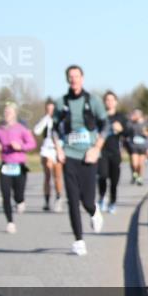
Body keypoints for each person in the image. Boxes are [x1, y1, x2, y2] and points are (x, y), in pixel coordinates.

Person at [53, 65, 107, 255]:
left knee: (87, 200)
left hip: (89, 156)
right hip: (69, 155)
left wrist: (96, 148)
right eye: (70, 77)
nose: (74, 79)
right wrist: (58, 148)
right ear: (67, 79)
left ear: (82, 78)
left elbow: (105, 125)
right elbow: (53, 128)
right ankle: (79, 240)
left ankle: (94, 211)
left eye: (77, 76)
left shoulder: (93, 101)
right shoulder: (61, 103)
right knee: (73, 199)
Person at [0, 101, 37, 233]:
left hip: (19, 165)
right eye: (5, 112)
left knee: (18, 194)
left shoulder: (22, 129)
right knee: (5, 194)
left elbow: (32, 144)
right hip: (5, 166)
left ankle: (20, 201)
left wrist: (20, 147)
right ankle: (10, 222)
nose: (7, 114)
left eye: (9, 112)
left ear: (15, 114)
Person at [98, 91, 128, 213]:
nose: (109, 102)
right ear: (104, 102)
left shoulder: (121, 117)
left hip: (115, 151)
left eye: (112, 100)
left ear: (116, 102)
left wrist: (121, 130)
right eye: (107, 100)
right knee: (103, 176)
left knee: (114, 180)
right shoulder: (100, 116)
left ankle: (113, 202)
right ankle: (102, 198)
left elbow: (127, 133)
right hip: (102, 151)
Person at [34, 99, 64, 212]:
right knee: (47, 175)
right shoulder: (45, 120)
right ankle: (46, 201)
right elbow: (36, 131)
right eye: (48, 109)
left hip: (57, 148)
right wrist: (46, 118)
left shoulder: (60, 120)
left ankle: (58, 197)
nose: (50, 111)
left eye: (52, 109)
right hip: (46, 149)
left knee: (57, 175)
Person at [126, 109, 148, 185]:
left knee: (140, 164)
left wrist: (146, 133)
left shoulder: (145, 123)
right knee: (134, 163)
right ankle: (135, 174)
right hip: (133, 146)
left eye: (136, 114)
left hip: (143, 146)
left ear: (140, 115)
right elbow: (127, 131)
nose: (134, 115)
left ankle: (140, 178)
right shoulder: (131, 123)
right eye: (134, 114)